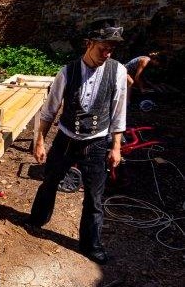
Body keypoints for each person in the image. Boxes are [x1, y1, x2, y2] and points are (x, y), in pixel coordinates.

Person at [28, 20, 127, 265]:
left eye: (111, 49)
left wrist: (116, 147)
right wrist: (39, 141)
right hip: (65, 140)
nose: (107, 54)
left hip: (96, 143)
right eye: (102, 48)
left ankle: (91, 244)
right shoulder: (67, 71)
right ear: (89, 43)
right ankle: (38, 218)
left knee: (94, 196)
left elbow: (118, 112)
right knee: (49, 181)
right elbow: (49, 110)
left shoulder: (118, 72)